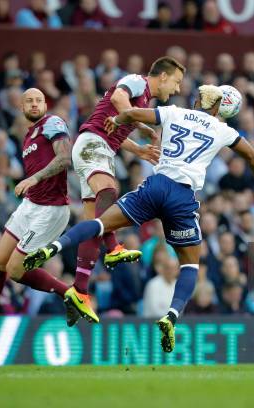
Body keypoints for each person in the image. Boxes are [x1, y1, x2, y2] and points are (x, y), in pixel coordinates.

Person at [24, 85, 254, 353]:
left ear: (198, 100)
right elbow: (252, 155)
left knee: (100, 223)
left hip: (157, 185)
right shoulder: (224, 131)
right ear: (219, 108)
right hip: (182, 197)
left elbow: (134, 113)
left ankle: (54, 247)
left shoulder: (175, 113)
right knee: (190, 265)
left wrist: (117, 119)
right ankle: (172, 316)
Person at [0, 88, 87, 348]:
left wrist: (34, 178)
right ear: (21, 108)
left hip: (51, 209)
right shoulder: (27, 138)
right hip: (30, 205)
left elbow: (64, 158)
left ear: (46, 104)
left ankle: (69, 293)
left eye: (38, 100)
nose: (34, 104)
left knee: (15, 270)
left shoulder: (53, 123)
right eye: (29, 101)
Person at [69, 56, 183, 311]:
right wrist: (141, 125)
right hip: (91, 144)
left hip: (102, 147)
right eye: (176, 82)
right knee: (110, 191)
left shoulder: (143, 99)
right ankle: (113, 247)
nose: (176, 89)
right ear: (162, 76)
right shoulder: (137, 82)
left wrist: (138, 150)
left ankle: (79, 290)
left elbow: (114, 130)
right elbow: (118, 100)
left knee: (94, 226)